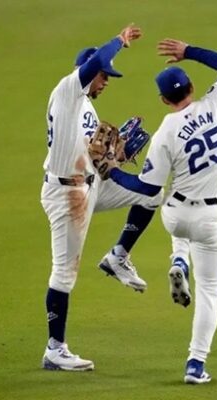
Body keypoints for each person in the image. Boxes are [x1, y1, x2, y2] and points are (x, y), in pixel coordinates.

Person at [104, 38, 217, 383]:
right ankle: (196, 364)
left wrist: (112, 170)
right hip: (212, 220)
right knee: (210, 291)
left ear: (164, 100)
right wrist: (190, 51)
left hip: (175, 216)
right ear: (193, 87)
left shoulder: (166, 130)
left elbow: (147, 189)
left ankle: (179, 258)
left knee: (167, 199)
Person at [40, 24, 163, 371]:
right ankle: (55, 348)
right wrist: (119, 42)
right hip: (66, 195)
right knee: (64, 274)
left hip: (91, 184)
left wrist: (115, 157)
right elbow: (97, 63)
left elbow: (94, 156)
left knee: (152, 194)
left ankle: (118, 257)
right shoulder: (67, 92)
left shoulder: (88, 108)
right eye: (103, 76)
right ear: (88, 73)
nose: (106, 81)